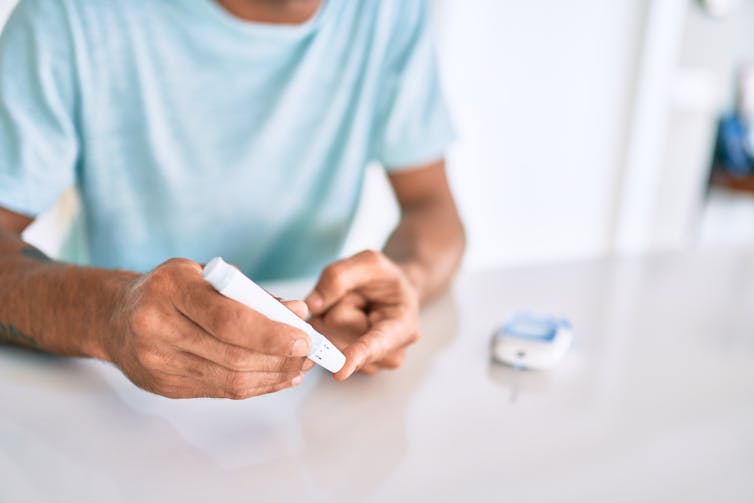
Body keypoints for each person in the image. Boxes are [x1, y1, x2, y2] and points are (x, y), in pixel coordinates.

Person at [0, 0, 465, 399]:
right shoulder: (69, 16)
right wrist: (109, 316)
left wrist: (405, 280)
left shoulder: (387, 12)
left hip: (305, 400)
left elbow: (432, 209)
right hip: (107, 392)